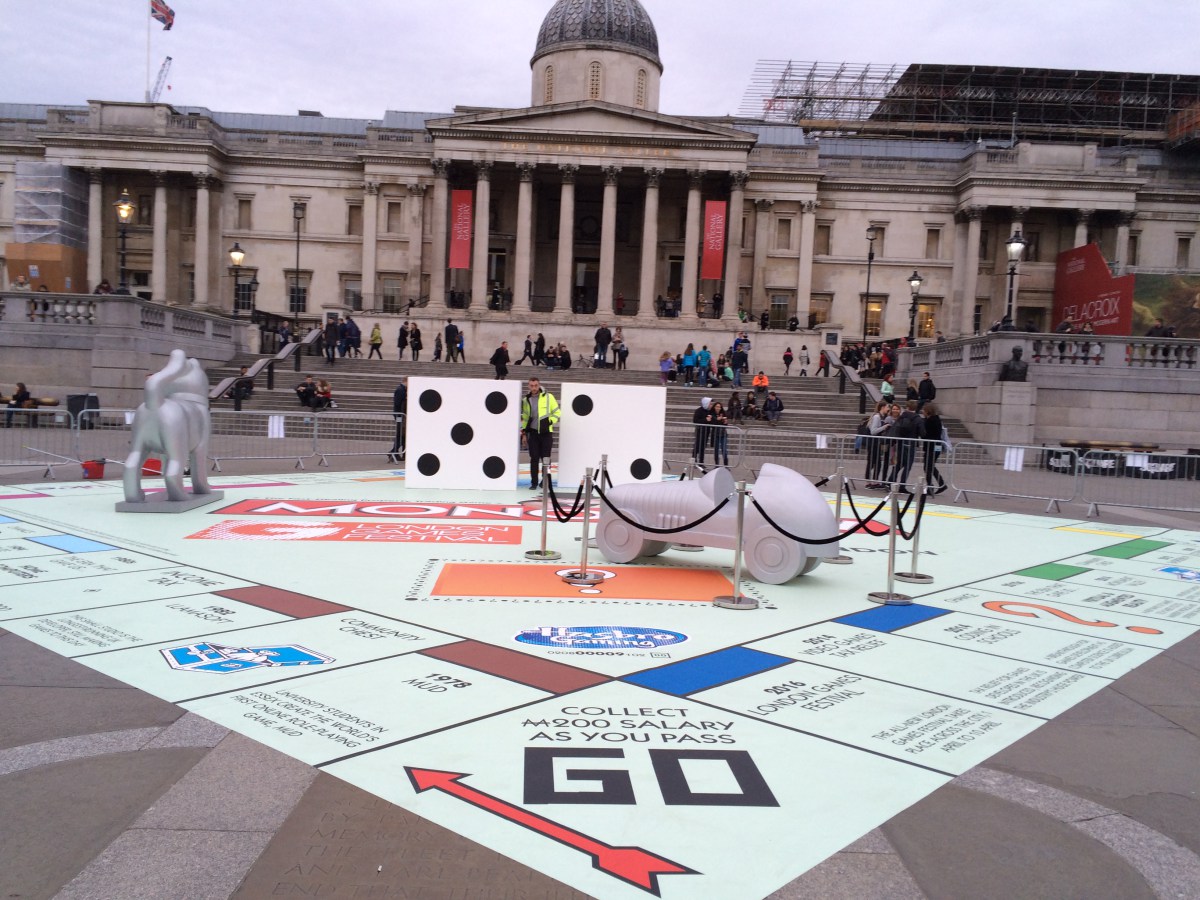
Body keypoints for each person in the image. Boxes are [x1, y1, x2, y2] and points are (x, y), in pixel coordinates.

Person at [520, 377, 560, 492]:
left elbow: (557, 412)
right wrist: (523, 433)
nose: (534, 388)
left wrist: (550, 421)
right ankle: (533, 482)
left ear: (539, 385)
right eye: (531, 386)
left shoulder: (549, 397)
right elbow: (525, 418)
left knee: (546, 458)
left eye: (535, 385)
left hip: (546, 433)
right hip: (533, 433)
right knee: (534, 458)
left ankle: (545, 481)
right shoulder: (525, 400)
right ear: (528, 386)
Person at [886, 401, 925, 492]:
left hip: (901, 442)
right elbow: (922, 433)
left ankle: (890, 481)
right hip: (911, 443)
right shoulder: (917, 418)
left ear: (907, 407)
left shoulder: (902, 416)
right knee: (908, 465)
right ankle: (902, 485)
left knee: (899, 463)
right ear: (916, 408)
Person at [921, 402, 948, 494]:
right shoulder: (935, 419)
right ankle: (941, 484)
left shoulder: (930, 421)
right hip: (936, 446)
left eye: (923, 410)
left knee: (928, 467)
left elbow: (926, 434)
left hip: (931, 446)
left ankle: (930, 487)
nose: (922, 411)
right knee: (930, 466)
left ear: (928, 411)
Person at [864, 400, 891, 489]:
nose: (888, 409)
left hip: (876, 442)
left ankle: (873, 481)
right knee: (873, 462)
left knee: (876, 462)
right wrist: (884, 427)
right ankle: (870, 482)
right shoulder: (877, 417)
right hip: (873, 442)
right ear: (882, 407)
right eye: (887, 407)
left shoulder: (880, 417)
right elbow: (873, 431)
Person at [692, 397, 714, 466]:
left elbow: (711, 421)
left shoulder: (709, 411)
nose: (711, 405)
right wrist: (705, 420)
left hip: (706, 431)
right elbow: (695, 420)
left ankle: (701, 462)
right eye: (710, 404)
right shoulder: (698, 411)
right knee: (697, 446)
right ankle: (694, 460)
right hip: (700, 431)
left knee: (703, 447)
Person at [388, 379, 407, 462]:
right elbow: (398, 404)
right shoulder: (400, 390)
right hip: (400, 416)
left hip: (401, 416)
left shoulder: (402, 389)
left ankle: (395, 452)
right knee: (400, 434)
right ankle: (393, 452)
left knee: (401, 435)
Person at [710, 401, 730, 465]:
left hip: (723, 434)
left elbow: (725, 425)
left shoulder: (723, 414)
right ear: (714, 407)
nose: (718, 408)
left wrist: (725, 422)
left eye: (719, 407)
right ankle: (716, 465)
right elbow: (712, 423)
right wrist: (717, 420)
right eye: (717, 407)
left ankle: (726, 465)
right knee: (716, 451)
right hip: (715, 434)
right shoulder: (712, 414)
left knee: (724, 450)